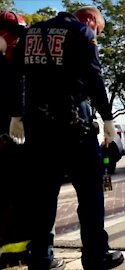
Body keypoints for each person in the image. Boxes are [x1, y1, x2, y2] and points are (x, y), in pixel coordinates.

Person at [9, 6, 124, 269]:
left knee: (42, 194)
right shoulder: (82, 32)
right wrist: (107, 118)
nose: (97, 34)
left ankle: (40, 257)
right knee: (90, 191)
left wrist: (16, 114)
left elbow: (15, 76)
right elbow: (95, 78)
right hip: (74, 122)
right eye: (100, 30)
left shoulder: (30, 34)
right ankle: (96, 254)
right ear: (91, 20)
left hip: (37, 124)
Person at [0, 10, 33, 269]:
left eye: (18, 35)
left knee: (18, 196)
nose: (14, 40)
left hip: (15, 142)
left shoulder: (20, 61)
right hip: (5, 140)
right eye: (11, 34)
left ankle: (15, 253)